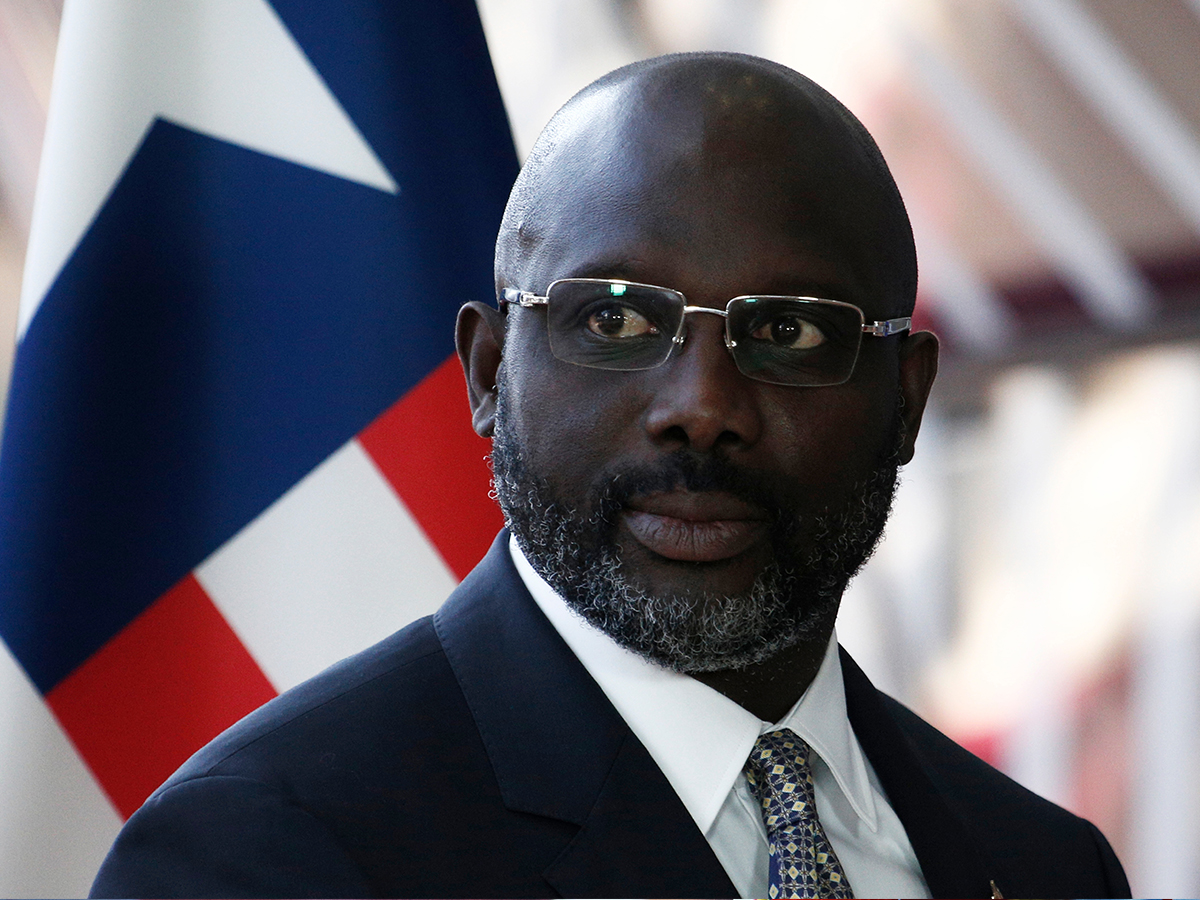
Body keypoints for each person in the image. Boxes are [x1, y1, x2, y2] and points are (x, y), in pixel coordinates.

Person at [91, 52, 1129, 899]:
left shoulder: (1048, 866)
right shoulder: (269, 851)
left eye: (789, 332)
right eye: (616, 320)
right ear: (489, 375)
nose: (704, 408)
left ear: (905, 400)